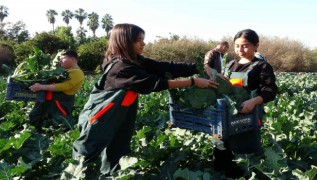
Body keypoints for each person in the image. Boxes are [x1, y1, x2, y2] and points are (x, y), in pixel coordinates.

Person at [60, 23, 219, 179]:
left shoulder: (133, 61)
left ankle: (111, 175)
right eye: (138, 40)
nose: (143, 43)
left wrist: (200, 67)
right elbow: (154, 83)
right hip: (103, 115)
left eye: (143, 39)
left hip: (121, 112)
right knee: (86, 152)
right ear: (125, 41)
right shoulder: (121, 67)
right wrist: (193, 81)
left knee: (117, 149)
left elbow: (163, 67)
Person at [211, 29, 277, 178]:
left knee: (244, 153)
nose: (240, 49)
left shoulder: (262, 66)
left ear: (256, 46)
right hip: (224, 115)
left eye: (245, 46)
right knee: (220, 147)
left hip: (247, 116)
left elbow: (270, 90)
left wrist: (254, 101)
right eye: (237, 46)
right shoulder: (230, 65)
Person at [29, 49, 84, 131]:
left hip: (59, 105)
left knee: (55, 125)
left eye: (62, 59)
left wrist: (41, 87)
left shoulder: (78, 73)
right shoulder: (63, 71)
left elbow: (64, 86)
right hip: (48, 101)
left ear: (72, 59)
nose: (60, 61)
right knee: (35, 117)